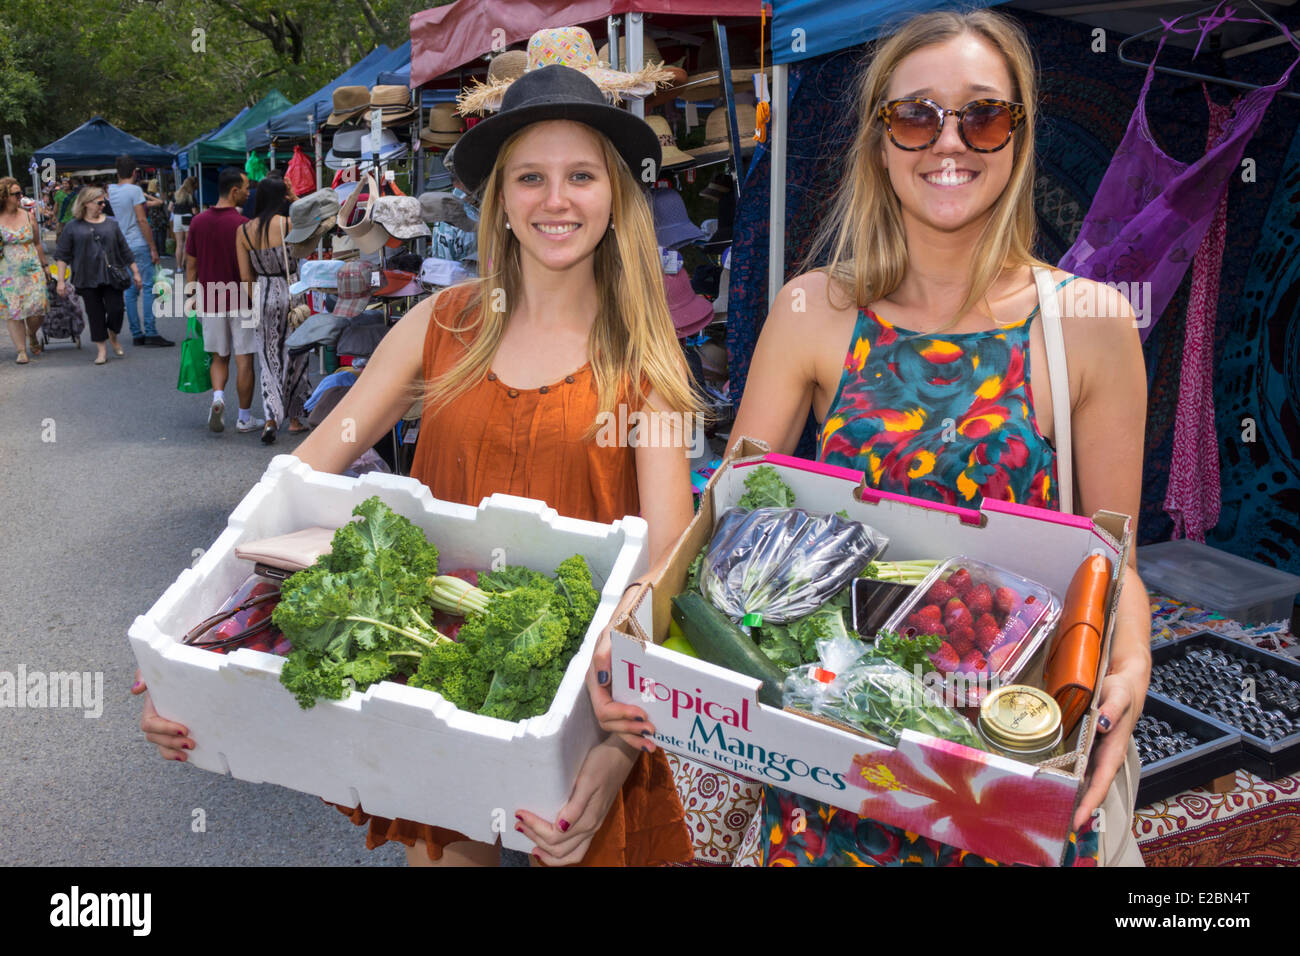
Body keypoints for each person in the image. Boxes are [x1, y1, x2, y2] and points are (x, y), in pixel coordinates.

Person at [137, 64, 700, 867]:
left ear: (615, 199)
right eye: (530, 178)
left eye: (581, 176)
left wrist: (612, 757)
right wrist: (189, 649)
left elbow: (665, 569)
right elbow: (296, 484)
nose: (556, 200)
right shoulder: (444, 322)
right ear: (500, 200)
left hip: (587, 707)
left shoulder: (647, 357)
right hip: (439, 675)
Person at [729, 8, 1150, 867]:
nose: (947, 141)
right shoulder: (814, 311)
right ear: (880, 141)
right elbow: (735, 525)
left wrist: (1130, 661)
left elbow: (1115, 563)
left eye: (983, 114)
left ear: (1019, 137)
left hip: (1005, 771)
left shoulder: (1091, 324)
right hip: (834, 758)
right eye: (915, 114)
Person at [234, 175, 310, 443]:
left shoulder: (243, 231)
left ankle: (270, 417)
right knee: (296, 354)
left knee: (268, 359)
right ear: (281, 197)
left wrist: (258, 301)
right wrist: (294, 196)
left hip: (262, 294)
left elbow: (246, 277)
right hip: (292, 292)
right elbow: (317, 219)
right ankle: (295, 419)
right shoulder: (290, 223)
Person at [185, 167, 260, 433]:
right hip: (242, 299)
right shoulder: (243, 224)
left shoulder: (198, 222)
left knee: (219, 357)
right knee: (244, 359)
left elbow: (190, 264)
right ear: (234, 191)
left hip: (209, 299)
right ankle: (244, 417)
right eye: (246, 188)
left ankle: (218, 398)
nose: (249, 192)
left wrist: (190, 296)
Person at [53, 185, 142, 365]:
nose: (103, 205)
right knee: (95, 314)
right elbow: (62, 255)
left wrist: (135, 272)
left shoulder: (112, 224)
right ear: (87, 203)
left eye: (104, 202)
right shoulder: (72, 227)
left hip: (111, 275)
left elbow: (124, 250)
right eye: (100, 202)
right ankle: (102, 350)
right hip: (86, 277)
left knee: (116, 309)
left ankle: (113, 335)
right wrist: (60, 281)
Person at [107, 156, 172, 347]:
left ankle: (136, 333)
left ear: (117, 172)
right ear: (135, 172)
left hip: (121, 244)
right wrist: (153, 247)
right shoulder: (135, 191)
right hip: (138, 243)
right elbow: (142, 220)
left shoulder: (111, 190)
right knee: (148, 287)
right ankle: (151, 331)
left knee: (129, 290)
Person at [1, 177, 51, 364]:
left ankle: (31, 333)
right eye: (16, 194)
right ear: (5, 197)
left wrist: (45, 266)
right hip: (7, 272)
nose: (20, 196)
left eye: (20, 193)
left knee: (38, 308)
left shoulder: (28, 215)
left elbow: (37, 243)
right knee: (14, 313)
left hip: (32, 269)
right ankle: (21, 351)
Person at [172, 176, 198, 272]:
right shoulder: (190, 196)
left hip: (177, 217)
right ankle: (184, 263)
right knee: (187, 243)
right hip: (187, 218)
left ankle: (179, 267)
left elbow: (170, 208)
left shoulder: (176, 194)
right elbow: (194, 212)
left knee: (179, 244)